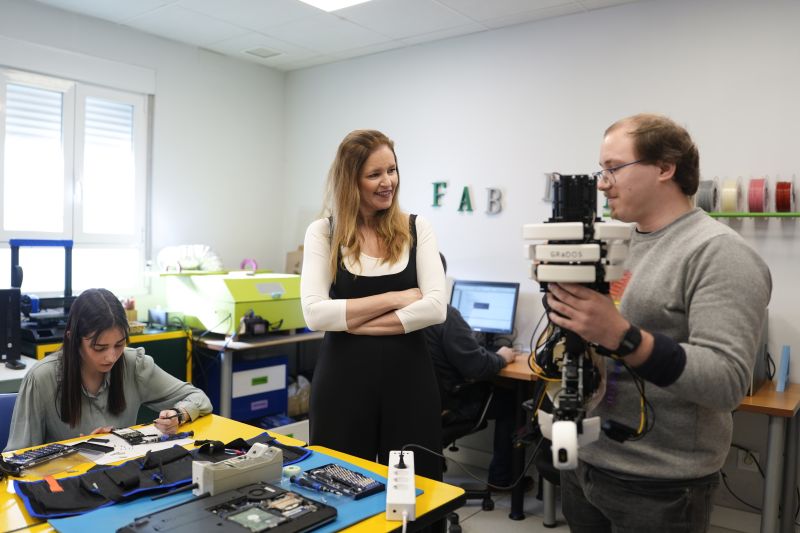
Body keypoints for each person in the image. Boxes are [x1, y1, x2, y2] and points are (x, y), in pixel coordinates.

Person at [545, 113, 772, 532]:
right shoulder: (617, 245)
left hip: (660, 484)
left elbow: (727, 383)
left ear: (665, 168)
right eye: (601, 170)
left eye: (614, 168)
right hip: (588, 460)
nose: (602, 183)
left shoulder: (719, 253)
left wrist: (621, 335)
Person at [300, 129, 447, 482]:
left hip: (409, 382)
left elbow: (435, 308)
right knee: (339, 484)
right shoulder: (323, 233)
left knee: (413, 490)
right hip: (342, 384)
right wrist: (397, 298)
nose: (388, 182)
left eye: (392, 170)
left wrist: (349, 319)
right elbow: (315, 314)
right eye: (375, 174)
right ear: (351, 181)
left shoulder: (417, 229)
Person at [6, 288, 212, 451]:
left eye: (119, 345)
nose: (111, 357)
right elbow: (16, 460)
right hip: (64, 486)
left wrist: (179, 414)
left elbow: (198, 398)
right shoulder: (42, 379)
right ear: (73, 339)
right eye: (99, 348)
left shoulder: (134, 364)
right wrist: (76, 450)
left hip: (121, 479)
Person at [423, 253, 521, 488]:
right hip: (448, 407)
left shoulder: (396, 314)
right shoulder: (445, 315)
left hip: (413, 408)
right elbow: (478, 367)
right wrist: (502, 357)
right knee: (513, 401)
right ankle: (501, 480)